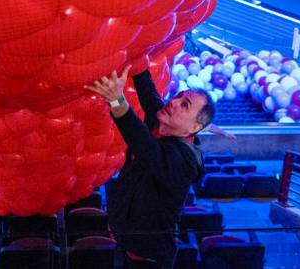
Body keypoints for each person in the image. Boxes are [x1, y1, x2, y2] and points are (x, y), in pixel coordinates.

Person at [87, 67, 216, 268]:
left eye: (184, 105)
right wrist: (138, 52)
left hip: (149, 260)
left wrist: (116, 100)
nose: (173, 102)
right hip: (124, 243)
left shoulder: (185, 161)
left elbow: (145, 145)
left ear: (194, 128)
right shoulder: (162, 122)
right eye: (178, 96)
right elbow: (148, 91)